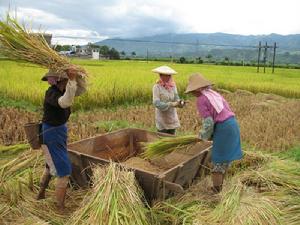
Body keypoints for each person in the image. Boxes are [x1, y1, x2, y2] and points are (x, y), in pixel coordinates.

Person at [185, 73, 243, 193]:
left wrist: (202, 137)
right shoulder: (214, 94)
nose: (192, 93)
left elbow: (209, 123)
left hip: (223, 129)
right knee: (224, 161)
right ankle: (221, 186)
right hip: (232, 126)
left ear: (196, 89)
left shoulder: (201, 99)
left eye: (192, 90)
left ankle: (216, 191)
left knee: (218, 161)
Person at [36, 67, 79, 212]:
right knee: (64, 171)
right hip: (51, 134)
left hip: (58, 132)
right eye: (66, 80)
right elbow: (65, 103)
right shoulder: (52, 93)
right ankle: (60, 208)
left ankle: (40, 194)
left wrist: (73, 80)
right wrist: (72, 81)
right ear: (60, 80)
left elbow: (72, 95)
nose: (68, 82)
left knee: (50, 165)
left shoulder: (61, 91)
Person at [152, 65, 184, 135]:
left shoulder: (173, 86)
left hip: (172, 117)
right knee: (162, 139)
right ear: (161, 75)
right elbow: (156, 103)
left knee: (172, 139)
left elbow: (176, 97)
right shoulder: (156, 87)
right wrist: (171, 104)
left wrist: (180, 103)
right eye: (166, 75)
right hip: (162, 118)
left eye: (169, 75)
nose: (168, 77)